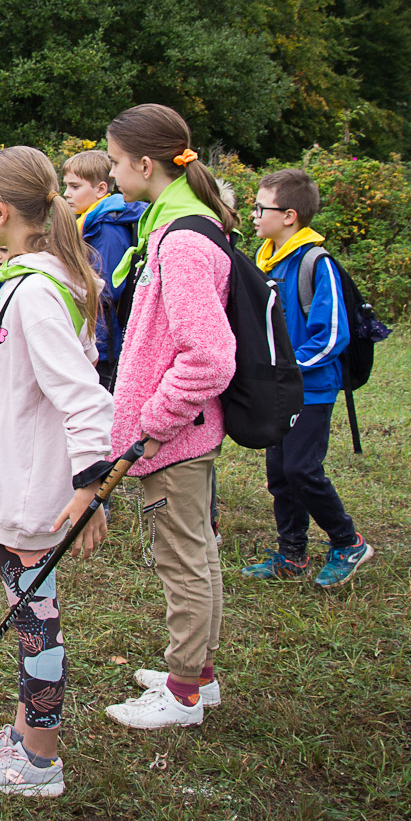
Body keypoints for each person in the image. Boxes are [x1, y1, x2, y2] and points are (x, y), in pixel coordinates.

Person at [0, 147, 113, 797]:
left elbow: (84, 398)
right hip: (17, 474)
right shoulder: (32, 280)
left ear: (1, 209)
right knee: (29, 614)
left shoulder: (36, 294)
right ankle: (22, 732)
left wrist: (88, 487)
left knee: (36, 621)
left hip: (34, 485)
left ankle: (38, 758)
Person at [98, 104, 238, 730]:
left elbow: (208, 358)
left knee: (181, 560)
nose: (110, 169)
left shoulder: (180, 240)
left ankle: (182, 692)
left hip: (174, 438)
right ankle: (198, 674)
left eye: (115, 161)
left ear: (145, 164)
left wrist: (152, 424)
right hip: (182, 434)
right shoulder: (177, 224)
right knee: (196, 553)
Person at [244, 168, 374, 587]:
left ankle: (347, 541)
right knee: (280, 473)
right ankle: (292, 553)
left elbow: (333, 333)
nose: (253, 214)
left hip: (311, 390)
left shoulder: (316, 264)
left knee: (302, 469)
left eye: (261, 207)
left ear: (290, 216)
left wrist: (287, 369)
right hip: (279, 390)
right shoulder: (266, 260)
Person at [62, 149, 144, 392]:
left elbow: (108, 288)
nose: (66, 193)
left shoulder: (107, 228)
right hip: (90, 330)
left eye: (75, 186)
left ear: (100, 189)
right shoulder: (88, 222)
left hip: (103, 337)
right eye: (66, 185)